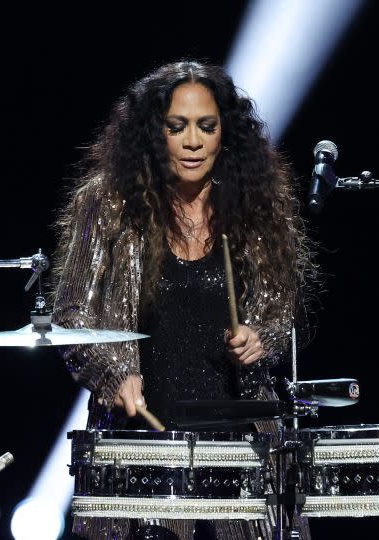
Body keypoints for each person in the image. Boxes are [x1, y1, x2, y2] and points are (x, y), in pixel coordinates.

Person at [50, 59, 318, 540]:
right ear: (155, 134)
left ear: (224, 132)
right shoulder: (107, 205)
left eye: (206, 127)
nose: (193, 142)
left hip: (241, 454)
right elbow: (71, 318)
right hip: (141, 449)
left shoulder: (255, 206)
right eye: (177, 128)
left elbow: (280, 308)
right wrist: (112, 374)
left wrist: (260, 336)